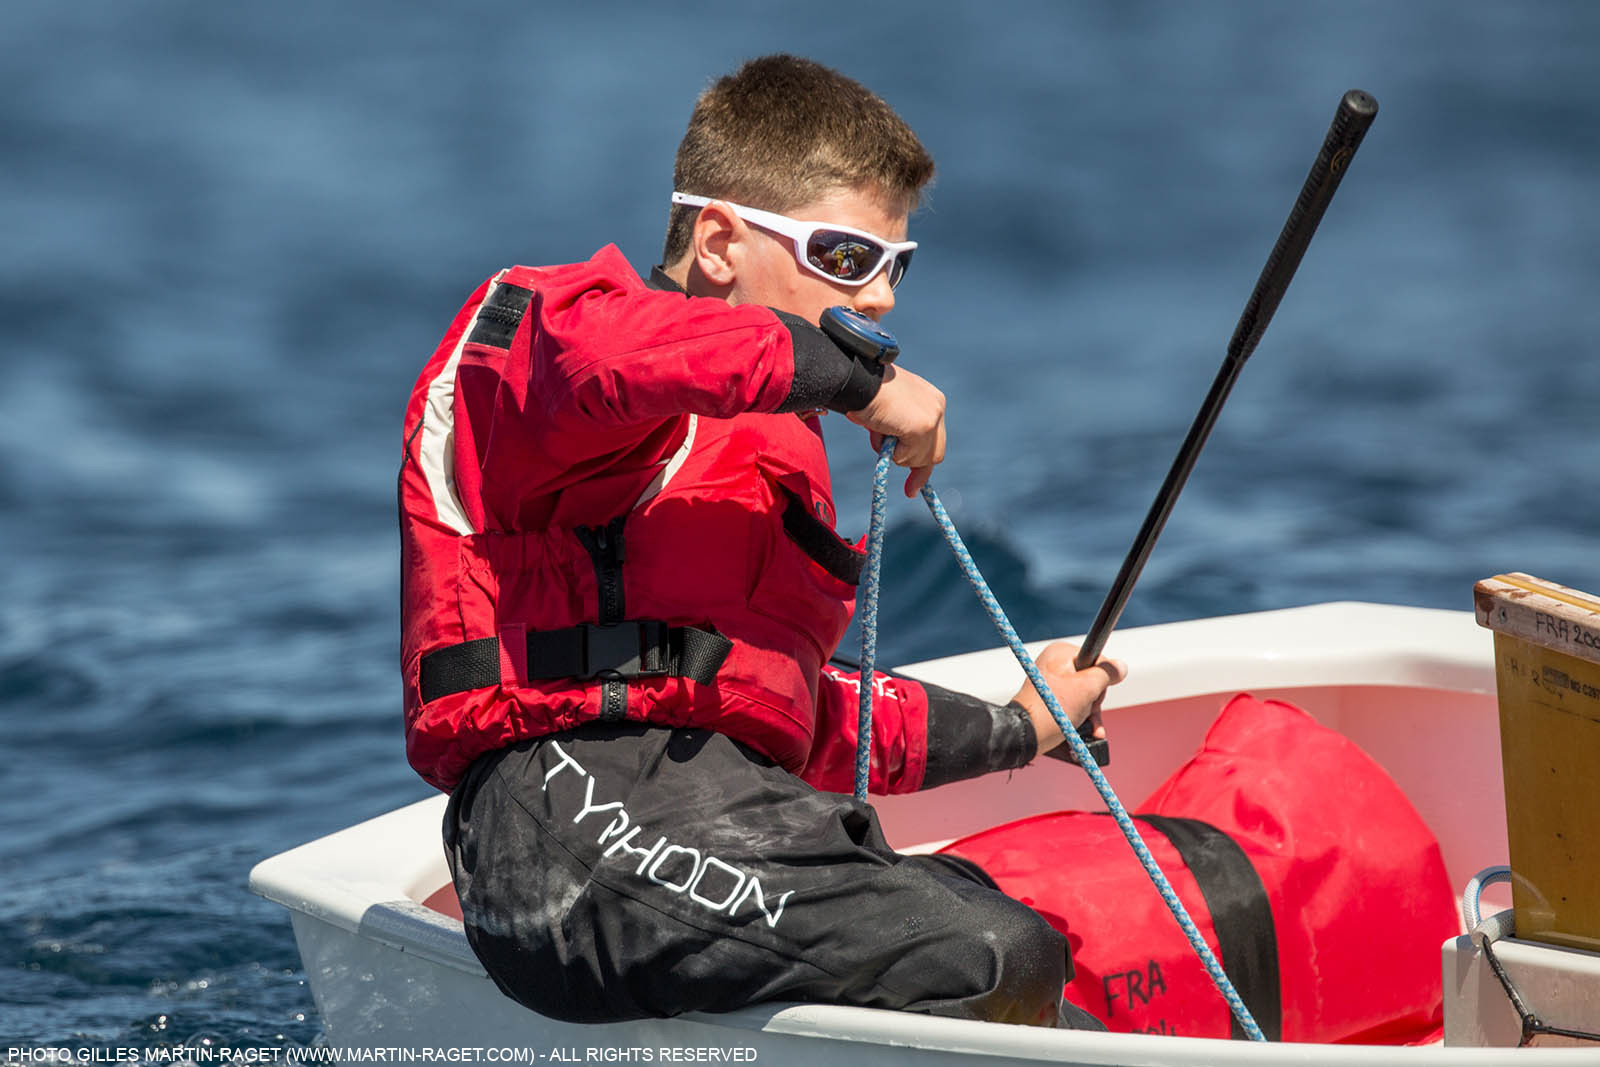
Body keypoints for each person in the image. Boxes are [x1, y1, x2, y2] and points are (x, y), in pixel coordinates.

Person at [398, 54, 1127, 1030]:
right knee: (993, 956)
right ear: (718, 242)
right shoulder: (560, 341)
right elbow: (619, 357)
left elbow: (792, 704)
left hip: (717, 812)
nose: (877, 299)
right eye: (843, 257)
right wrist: (858, 383)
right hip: (565, 820)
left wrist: (1019, 727)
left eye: (894, 267)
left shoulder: (765, 447)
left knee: (1009, 928)